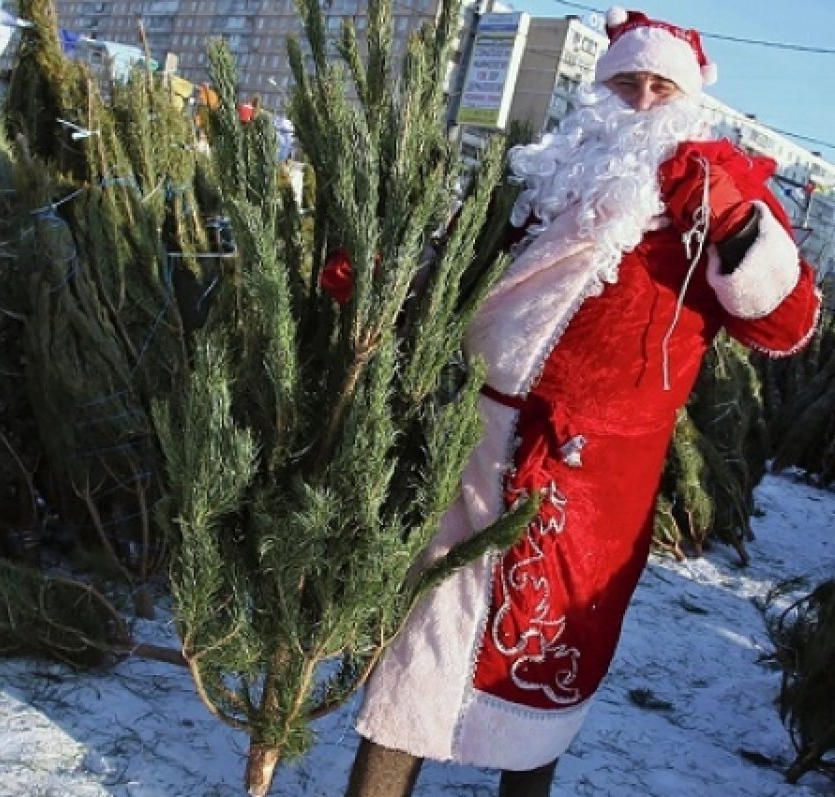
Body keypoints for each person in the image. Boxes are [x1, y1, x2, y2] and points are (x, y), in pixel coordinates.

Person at [343, 7, 823, 797]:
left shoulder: (710, 199)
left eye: (658, 85)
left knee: (538, 677)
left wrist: (734, 215)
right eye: (624, 81)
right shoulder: (545, 178)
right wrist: (382, 289)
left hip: (586, 485)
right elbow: (458, 275)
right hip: (471, 444)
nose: (638, 99)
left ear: (687, 99)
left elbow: (786, 322)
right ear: (596, 92)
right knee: (413, 663)